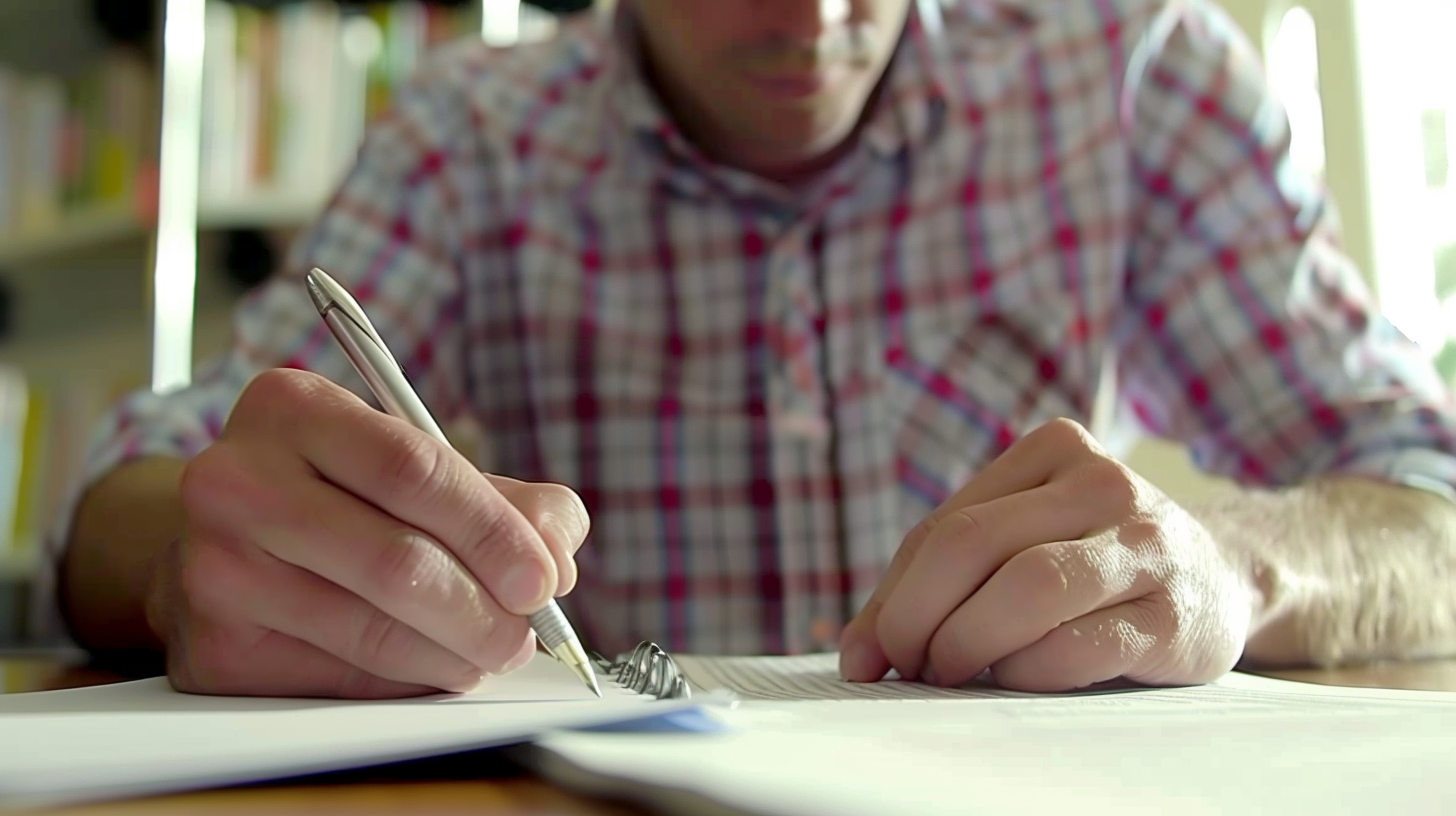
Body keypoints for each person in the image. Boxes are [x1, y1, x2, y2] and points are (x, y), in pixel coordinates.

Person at [36, 0, 1456, 699]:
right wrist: (196, 555)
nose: (812, 14)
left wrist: (1234, 568)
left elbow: (1429, 498)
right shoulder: (477, 136)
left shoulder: (1129, 77)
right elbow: (137, 490)